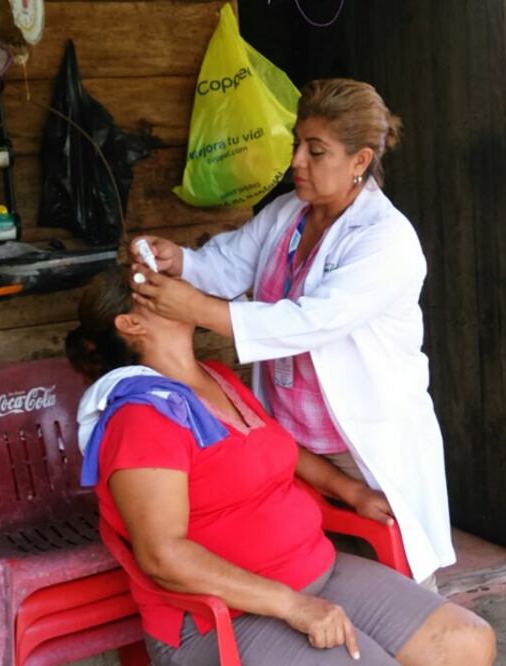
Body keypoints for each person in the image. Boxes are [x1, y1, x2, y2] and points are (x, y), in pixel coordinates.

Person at [66, 266, 496, 666]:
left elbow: (279, 447)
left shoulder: (216, 377)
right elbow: (163, 556)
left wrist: (352, 492)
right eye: (159, 287)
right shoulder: (141, 417)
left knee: (469, 640)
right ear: (131, 324)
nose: (182, 288)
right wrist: (294, 606)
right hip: (222, 614)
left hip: (316, 568)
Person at [129, 78, 452, 587]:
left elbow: (311, 321)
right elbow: (230, 263)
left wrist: (198, 308)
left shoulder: (386, 240)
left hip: (359, 437)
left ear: (360, 161)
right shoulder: (288, 215)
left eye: (316, 151)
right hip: (293, 432)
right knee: (310, 562)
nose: (297, 161)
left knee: (400, 574)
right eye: (297, 144)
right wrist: (182, 262)